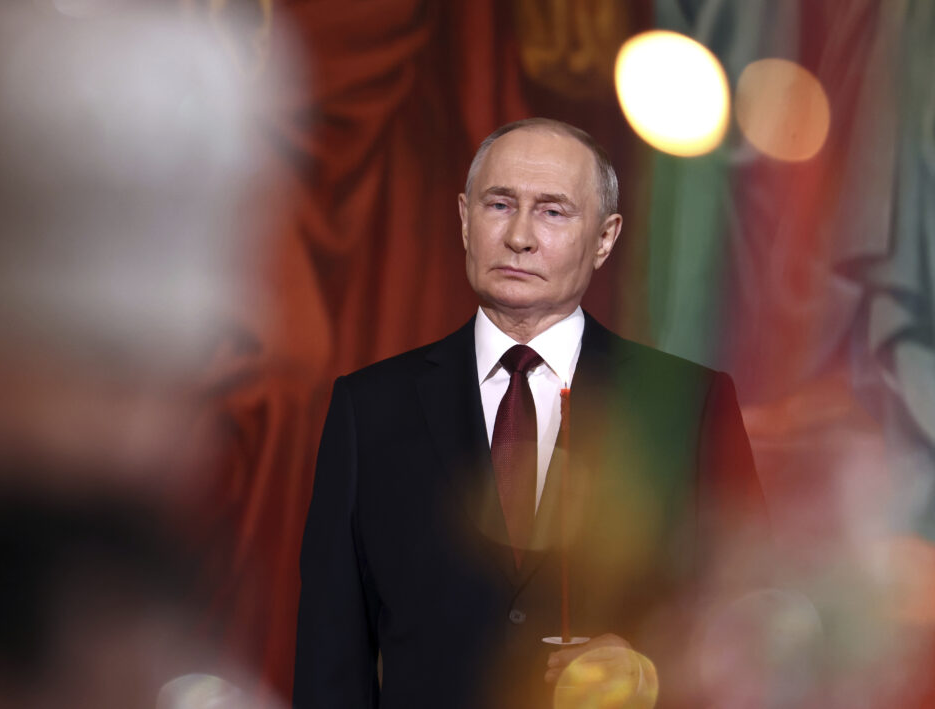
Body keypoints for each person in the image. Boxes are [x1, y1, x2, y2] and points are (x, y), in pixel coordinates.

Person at [293, 118, 767, 709]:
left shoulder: (688, 405)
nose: (519, 236)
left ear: (605, 238)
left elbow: (753, 633)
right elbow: (331, 659)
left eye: (552, 212)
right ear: (465, 219)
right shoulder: (368, 409)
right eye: (499, 205)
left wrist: (649, 669)